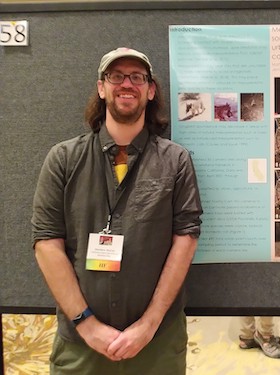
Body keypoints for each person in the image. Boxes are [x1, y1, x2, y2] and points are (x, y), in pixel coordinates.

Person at [31, 47, 203, 374]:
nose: (127, 84)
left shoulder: (175, 160)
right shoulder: (63, 159)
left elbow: (186, 240)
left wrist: (149, 324)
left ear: (150, 91)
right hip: (80, 344)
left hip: (157, 342)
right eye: (116, 76)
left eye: (137, 77)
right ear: (101, 87)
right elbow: (46, 243)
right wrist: (86, 324)